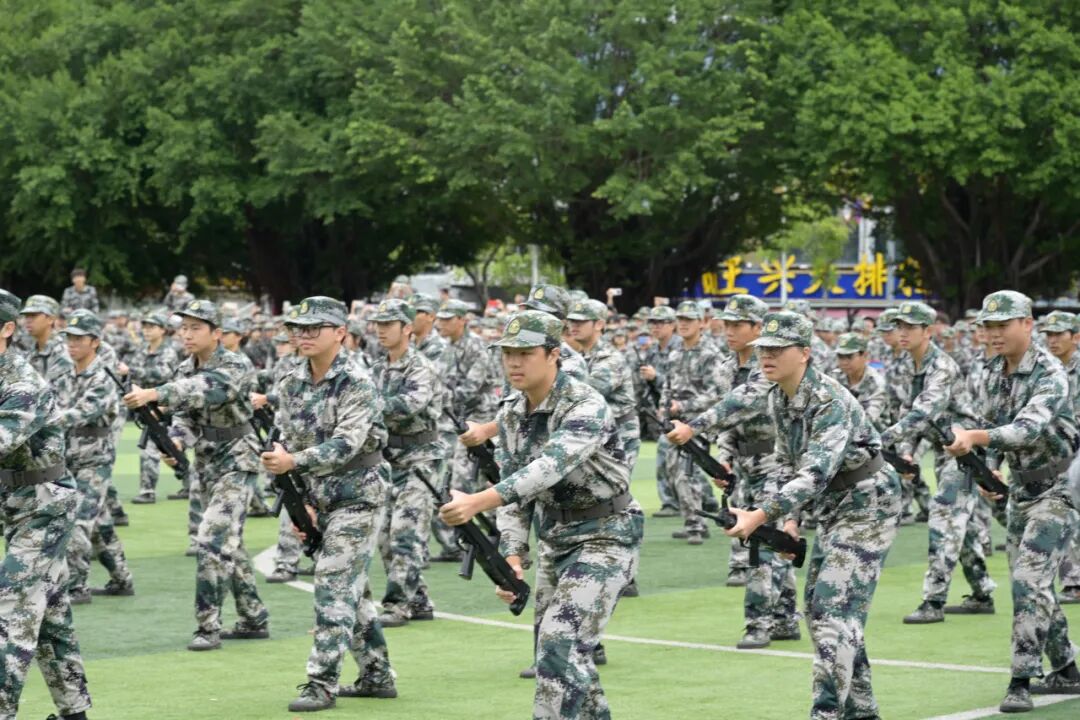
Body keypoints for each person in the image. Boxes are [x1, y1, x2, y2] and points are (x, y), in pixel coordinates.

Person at [441, 310, 643, 720]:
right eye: (508, 354)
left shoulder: (585, 404)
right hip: (556, 537)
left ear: (554, 355)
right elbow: (515, 493)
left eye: (525, 353)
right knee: (562, 653)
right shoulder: (511, 413)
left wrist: (478, 501)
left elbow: (548, 468)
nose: (514, 363)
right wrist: (512, 556)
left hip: (606, 533)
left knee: (559, 643)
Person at [724, 310, 901, 720]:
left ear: (804, 353)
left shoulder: (828, 400)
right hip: (833, 507)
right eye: (763, 349)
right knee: (822, 609)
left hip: (868, 503)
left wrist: (760, 515)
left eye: (777, 349)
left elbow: (815, 472)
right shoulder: (778, 397)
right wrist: (790, 522)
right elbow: (788, 464)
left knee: (833, 609)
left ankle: (826, 712)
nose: (766, 356)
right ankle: (862, 710)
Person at [944, 291, 1080, 711]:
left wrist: (976, 439)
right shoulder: (991, 373)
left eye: (1003, 325)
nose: (994, 333)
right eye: (989, 326)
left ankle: (1021, 678)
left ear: (1027, 324)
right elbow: (991, 423)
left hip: (1060, 488)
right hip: (1021, 490)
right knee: (1034, 583)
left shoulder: (1050, 373)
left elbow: (1026, 429)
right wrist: (989, 468)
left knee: (1028, 582)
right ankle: (1066, 668)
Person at [260, 296, 397, 711]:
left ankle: (321, 682)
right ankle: (376, 674)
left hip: (359, 494)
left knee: (333, 580)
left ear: (340, 333)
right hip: (319, 495)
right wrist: (300, 501)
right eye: (297, 329)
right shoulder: (290, 382)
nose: (302, 336)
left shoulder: (357, 380)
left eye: (313, 328)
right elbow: (286, 441)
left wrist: (293, 462)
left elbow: (346, 444)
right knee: (351, 588)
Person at [122, 299, 269, 651]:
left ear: (217, 333)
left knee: (211, 539)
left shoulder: (234, 364)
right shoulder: (183, 367)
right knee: (228, 540)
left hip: (238, 456)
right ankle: (253, 616)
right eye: (183, 328)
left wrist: (155, 393)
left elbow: (207, 389)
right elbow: (185, 415)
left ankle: (207, 626)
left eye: (195, 328)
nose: (186, 334)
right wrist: (175, 441)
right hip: (206, 459)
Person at [666, 294, 799, 649]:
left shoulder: (767, 365)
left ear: (758, 328)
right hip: (743, 464)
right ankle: (785, 618)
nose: (729, 331)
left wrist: (694, 426)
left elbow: (741, 402)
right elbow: (728, 422)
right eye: (726, 324)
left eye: (738, 325)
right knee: (765, 539)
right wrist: (723, 459)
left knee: (760, 543)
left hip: (776, 461)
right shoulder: (726, 368)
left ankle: (758, 623)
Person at [0, 288, 92, 720]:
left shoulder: (23, 384)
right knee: (50, 614)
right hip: (15, 504)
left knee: (12, 608)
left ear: (7, 329)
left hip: (44, 506)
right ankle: (75, 712)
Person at [880, 301, 995, 624]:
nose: (902, 333)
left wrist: (884, 439)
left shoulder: (942, 367)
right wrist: (905, 452)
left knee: (944, 518)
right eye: (899, 326)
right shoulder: (903, 367)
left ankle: (933, 600)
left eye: (910, 327)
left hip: (964, 450)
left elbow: (922, 413)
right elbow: (905, 413)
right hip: (940, 448)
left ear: (928, 331)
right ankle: (982, 592)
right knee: (961, 525)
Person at [369, 299, 445, 628]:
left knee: (405, 533)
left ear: (407, 328)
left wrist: (365, 406)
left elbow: (407, 405)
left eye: (388, 324)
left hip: (420, 459)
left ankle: (398, 604)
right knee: (385, 535)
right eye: (378, 324)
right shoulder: (376, 368)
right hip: (388, 459)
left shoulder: (421, 367)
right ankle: (419, 599)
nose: (381, 330)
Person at [56, 310, 135, 604]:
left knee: (78, 520)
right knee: (99, 523)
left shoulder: (104, 377)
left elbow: (83, 411)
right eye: (69, 338)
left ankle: (77, 586)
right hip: (68, 458)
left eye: (79, 339)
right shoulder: (65, 375)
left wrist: (45, 420)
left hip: (95, 460)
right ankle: (122, 578)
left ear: (95, 342)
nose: (72, 344)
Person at [660, 301, 723, 544]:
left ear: (701, 323)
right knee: (674, 471)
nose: (683, 324)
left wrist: (683, 406)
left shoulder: (710, 353)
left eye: (689, 319)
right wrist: (665, 407)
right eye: (680, 319)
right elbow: (667, 385)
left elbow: (716, 393)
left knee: (686, 473)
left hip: (699, 423)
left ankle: (695, 525)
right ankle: (694, 520)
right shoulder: (675, 352)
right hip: (675, 423)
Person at [1041, 311, 1080, 605]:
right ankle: (1073, 580)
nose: (1052, 340)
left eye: (1059, 334)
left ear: (1075, 337)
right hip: (1056, 452)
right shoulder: (1046, 369)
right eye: (1049, 335)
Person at [128, 311, 180, 504]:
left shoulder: (169, 352)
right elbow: (133, 378)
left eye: (152, 327)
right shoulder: (141, 351)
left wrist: (133, 371)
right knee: (154, 445)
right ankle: (148, 490)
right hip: (147, 407)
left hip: (168, 407)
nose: (147, 330)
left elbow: (163, 374)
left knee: (171, 447)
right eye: (145, 326)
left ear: (162, 330)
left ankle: (186, 481)